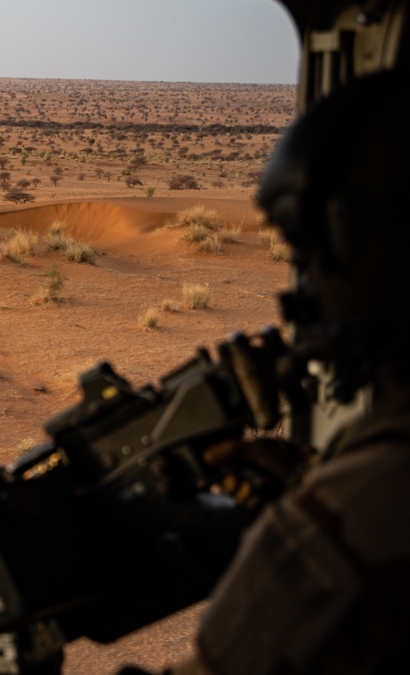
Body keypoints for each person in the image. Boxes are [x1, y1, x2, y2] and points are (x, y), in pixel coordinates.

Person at [157, 5, 410, 672]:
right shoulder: (378, 450)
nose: (307, 289)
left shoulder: (379, 485)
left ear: (363, 243)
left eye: (312, 251)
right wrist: (304, 478)